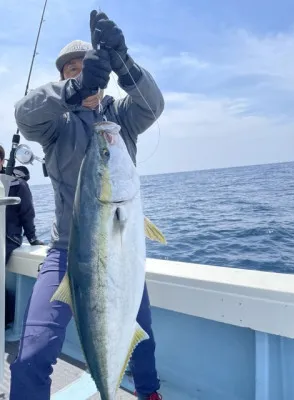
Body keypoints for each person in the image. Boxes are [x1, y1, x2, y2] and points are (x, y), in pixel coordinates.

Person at [10, 10, 164, 400]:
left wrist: (124, 62)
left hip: (120, 250)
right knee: (32, 353)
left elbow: (153, 105)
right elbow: (24, 113)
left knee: (142, 346)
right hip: (66, 252)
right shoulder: (54, 125)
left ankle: (147, 394)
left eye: (87, 68)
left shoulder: (120, 118)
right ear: (64, 76)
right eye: (71, 70)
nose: (79, 73)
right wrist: (74, 91)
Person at [0, 145, 44, 326]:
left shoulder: (17, 184)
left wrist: (32, 237)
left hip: (8, 237)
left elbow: (27, 213)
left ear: (1, 161)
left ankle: (8, 316)